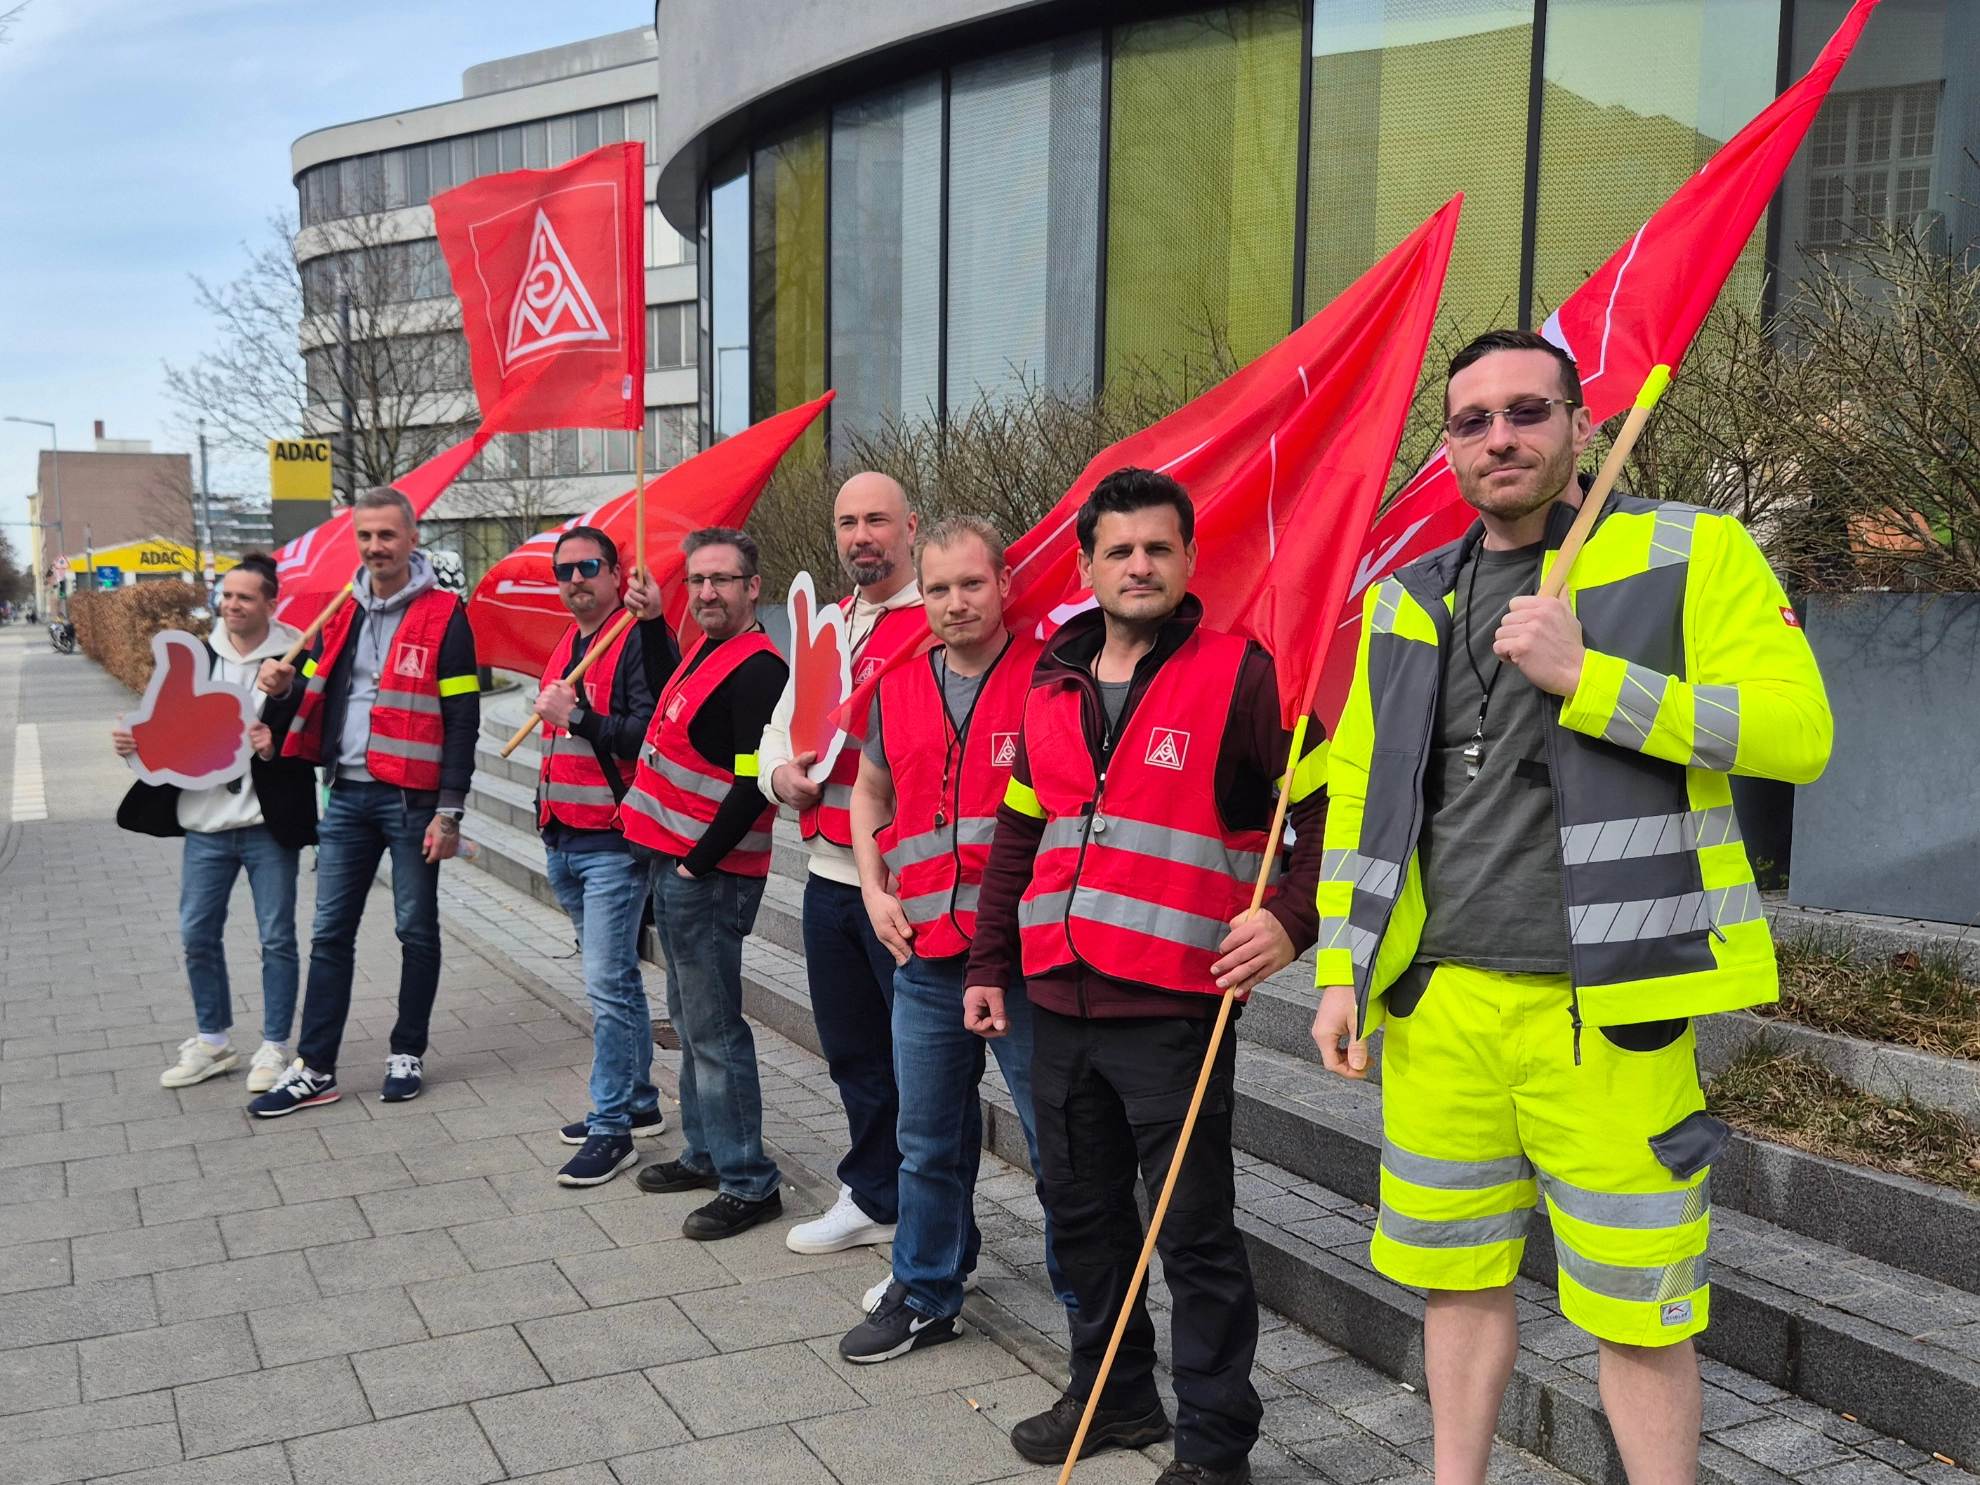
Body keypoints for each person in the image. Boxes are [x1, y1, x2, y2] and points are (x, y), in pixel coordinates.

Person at [1309, 329, 1833, 1485]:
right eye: (1472, 420)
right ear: (1448, 447)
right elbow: (1362, 797)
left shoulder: (1691, 552)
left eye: (1527, 411)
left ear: (1580, 423)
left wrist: (1589, 679)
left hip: (1614, 1013)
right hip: (1440, 1010)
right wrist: (1342, 969)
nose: (1501, 437)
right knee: (1456, 1279)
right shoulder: (1408, 599)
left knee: (1642, 1312)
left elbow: (1800, 736)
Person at [966, 469, 1327, 1485]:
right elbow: (1018, 838)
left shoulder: (1242, 674)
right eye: (1118, 550)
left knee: (1193, 1236)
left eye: (1157, 548)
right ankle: (1115, 1398)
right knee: (1081, 1216)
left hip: (1175, 1008)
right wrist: (991, 964)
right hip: (1054, 999)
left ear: (1186, 561)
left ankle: (1215, 1449)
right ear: (1085, 567)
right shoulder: (1052, 684)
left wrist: (1290, 922)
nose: (1138, 565)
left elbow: (1328, 817)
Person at [837, 515, 1075, 1364]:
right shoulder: (897, 686)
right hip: (927, 957)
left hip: (1024, 961)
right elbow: (869, 792)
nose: (953, 602)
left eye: (971, 583)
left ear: (1005, 583)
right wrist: (872, 887)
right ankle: (928, 1291)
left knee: (1061, 1149)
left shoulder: (1055, 680)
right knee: (927, 1141)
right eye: (937, 587)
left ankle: (1091, 1310)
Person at [249, 485, 481, 1115]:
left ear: (412, 538)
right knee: (329, 935)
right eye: (365, 536)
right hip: (346, 797)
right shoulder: (337, 614)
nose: (375, 547)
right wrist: (279, 684)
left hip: (413, 802)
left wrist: (450, 809)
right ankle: (315, 1067)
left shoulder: (444, 614)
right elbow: (312, 697)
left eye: (387, 535)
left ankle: (407, 1052)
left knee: (415, 929)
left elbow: (462, 718)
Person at [760, 473, 929, 1255]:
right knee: (855, 1053)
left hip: (904, 887)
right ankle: (873, 1195)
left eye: (878, 521)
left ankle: (927, 1217)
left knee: (919, 1066)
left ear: (910, 527)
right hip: (826, 880)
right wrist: (779, 777)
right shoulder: (827, 623)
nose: (862, 536)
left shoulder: (935, 620)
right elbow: (779, 726)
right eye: (848, 523)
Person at [620, 526, 791, 1240]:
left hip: (709, 873)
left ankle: (749, 1179)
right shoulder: (709, 649)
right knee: (689, 1021)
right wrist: (656, 622)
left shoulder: (757, 668)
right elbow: (670, 697)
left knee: (715, 1028)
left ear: (754, 587)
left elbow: (756, 782)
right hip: (681, 863)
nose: (708, 592)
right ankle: (706, 1150)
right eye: (697, 581)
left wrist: (698, 862)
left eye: (722, 580)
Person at [112, 555, 319, 1093]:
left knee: (277, 938)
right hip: (204, 824)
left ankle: (274, 1047)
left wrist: (277, 738)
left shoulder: (301, 659)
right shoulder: (197, 658)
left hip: (266, 826)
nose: (231, 606)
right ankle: (212, 1041)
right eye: (226, 596)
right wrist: (134, 745)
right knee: (197, 934)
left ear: (271, 605)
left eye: (244, 597)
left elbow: (320, 735)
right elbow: (167, 728)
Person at [528, 525, 677, 1187]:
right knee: (611, 982)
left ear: (618, 573)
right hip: (566, 836)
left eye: (588, 565)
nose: (575, 578)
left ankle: (611, 1123)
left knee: (608, 985)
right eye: (564, 570)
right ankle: (640, 1100)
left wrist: (578, 716)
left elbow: (653, 732)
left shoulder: (634, 637)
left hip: (612, 845)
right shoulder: (571, 641)